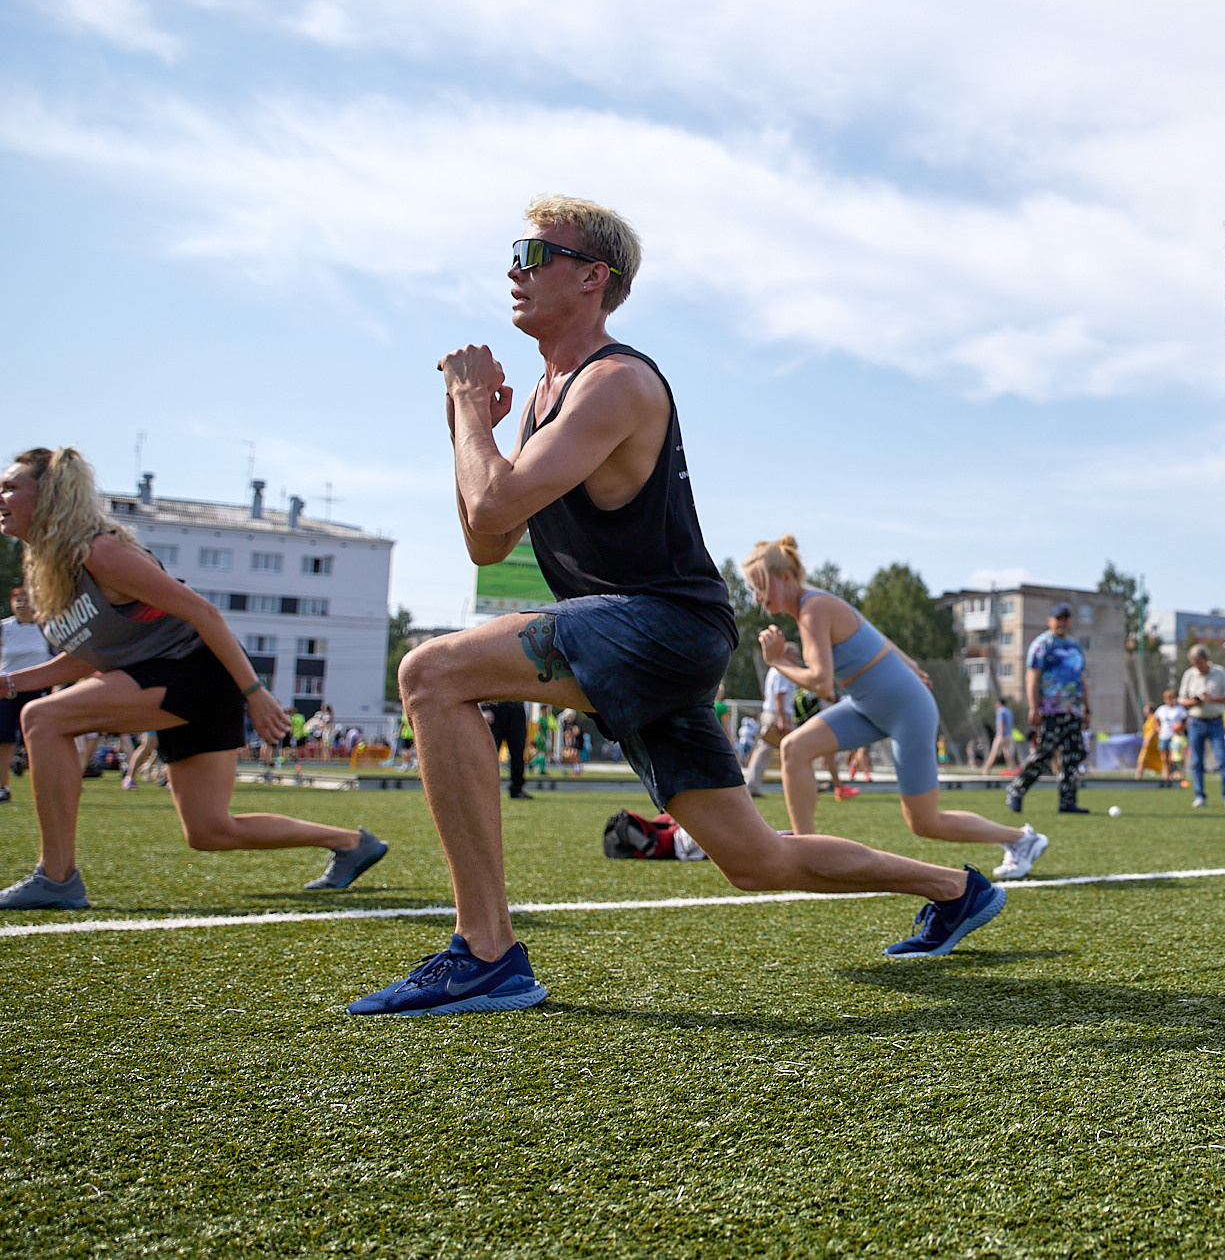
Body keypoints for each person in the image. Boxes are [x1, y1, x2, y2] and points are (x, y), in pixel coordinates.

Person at [352, 198, 1010, 1016]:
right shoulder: (544, 396)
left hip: (661, 626)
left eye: (534, 252)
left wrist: (461, 409)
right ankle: (956, 887)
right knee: (755, 858)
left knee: (431, 672)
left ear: (594, 276)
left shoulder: (616, 381)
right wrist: (474, 423)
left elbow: (489, 512)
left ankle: (485, 951)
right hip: (640, 632)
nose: (514, 268)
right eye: (513, 252)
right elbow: (488, 540)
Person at [0, 448, 386, 909]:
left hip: (197, 673)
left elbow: (203, 611)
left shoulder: (101, 552)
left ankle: (57, 877)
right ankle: (352, 843)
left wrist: (255, 693)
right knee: (209, 830)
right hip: (169, 678)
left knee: (44, 718)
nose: (0, 496)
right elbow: (88, 657)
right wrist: (10, 683)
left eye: (10, 487)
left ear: (49, 496)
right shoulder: (57, 568)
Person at [745, 535, 1048, 882]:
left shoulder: (814, 609)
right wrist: (909, 662)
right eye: (753, 589)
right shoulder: (814, 605)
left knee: (925, 822)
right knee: (794, 748)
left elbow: (822, 684)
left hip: (907, 711)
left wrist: (777, 661)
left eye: (761, 586)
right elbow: (872, 630)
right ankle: (806, 851)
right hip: (866, 708)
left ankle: (1021, 839)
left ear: (786, 577)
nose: (757, 597)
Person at [1005, 603, 1093, 815]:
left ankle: (1067, 801)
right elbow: (1032, 677)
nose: (1061, 622)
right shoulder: (1042, 645)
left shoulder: (1075, 647)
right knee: (1044, 752)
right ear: (1050, 620)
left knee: (1073, 754)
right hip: (1050, 710)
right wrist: (1034, 707)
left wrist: (1087, 709)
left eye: (1065, 618)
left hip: (1073, 710)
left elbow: (1081, 678)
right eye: (1058, 618)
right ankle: (1016, 789)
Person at [1, 586, 54, 802]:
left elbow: (56, 657)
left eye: (26, 598)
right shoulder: (3, 628)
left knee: (39, 740)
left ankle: (44, 789)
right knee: (3, 739)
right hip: (6, 689)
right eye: (17, 599)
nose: (22, 603)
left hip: (36, 689)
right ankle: (2, 787)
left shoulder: (45, 627)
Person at [1179, 643, 1225, 808]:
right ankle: (1199, 796)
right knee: (1196, 761)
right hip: (1195, 722)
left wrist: (1211, 698)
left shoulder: (1220, 672)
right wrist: (1194, 701)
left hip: (1215, 722)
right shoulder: (1189, 675)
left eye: (1199, 662)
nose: (1197, 666)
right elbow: (1181, 701)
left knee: (1222, 759)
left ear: (1207, 659)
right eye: (1194, 662)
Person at [744, 665, 795, 796]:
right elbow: (778, 695)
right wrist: (781, 718)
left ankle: (752, 785)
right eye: (794, 655)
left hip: (771, 713)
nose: (796, 658)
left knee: (765, 751)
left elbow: (769, 695)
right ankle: (751, 786)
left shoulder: (773, 670)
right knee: (794, 748)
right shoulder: (782, 670)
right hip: (777, 715)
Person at [483, 699, 533, 799]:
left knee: (518, 752)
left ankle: (517, 788)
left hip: (516, 706)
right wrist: (486, 709)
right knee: (490, 752)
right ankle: (485, 788)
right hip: (496, 705)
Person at [1154, 690, 1189, 782]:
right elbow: (1154, 719)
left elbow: (1186, 719)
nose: (1169, 700)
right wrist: (1158, 728)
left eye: (1171, 698)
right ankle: (1166, 775)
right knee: (1164, 758)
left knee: (1172, 758)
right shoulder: (1161, 709)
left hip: (1175, 737)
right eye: (1167, 698)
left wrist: (1182, 728)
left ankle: (1177, 774)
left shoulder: (1179, 709)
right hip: (1164, 735)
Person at [981, 695, 1016, 773]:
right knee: (1008, 754)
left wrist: (1000, 735)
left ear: (999, 703)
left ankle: (986, 771)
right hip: (1009, 735)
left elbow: (1001, 723)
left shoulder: (1000, 711)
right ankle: (1013, 770)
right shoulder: (1009, 711)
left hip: (1002, 735)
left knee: (994, 753)